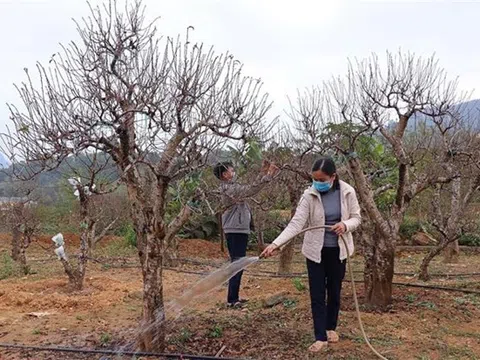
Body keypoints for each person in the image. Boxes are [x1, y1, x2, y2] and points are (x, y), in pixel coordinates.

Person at [261, 156, 361, 353]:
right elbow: (296, 224)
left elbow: (357, 218)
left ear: (333, 177)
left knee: (334, 292)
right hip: (315, 252)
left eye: (322, 180)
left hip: (338, 251)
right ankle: (320, 337)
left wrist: (345, 225)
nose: (318, 183)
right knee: (317, 294)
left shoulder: (348, 192)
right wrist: (276, 244)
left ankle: (331, 327)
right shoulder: (309, 195)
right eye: (315, 179)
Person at [214, 160, 279, 308]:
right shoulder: (229, 189)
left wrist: (262, 172)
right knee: (237, 264)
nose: (234, 172)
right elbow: (250, 190)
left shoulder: (232, 187)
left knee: (238, 264)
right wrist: (267, 175)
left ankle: (233, 297)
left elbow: (250, 188)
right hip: (235, 231)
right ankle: (232, 300)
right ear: (225, 175)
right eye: (231, 170)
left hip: (238, 230)